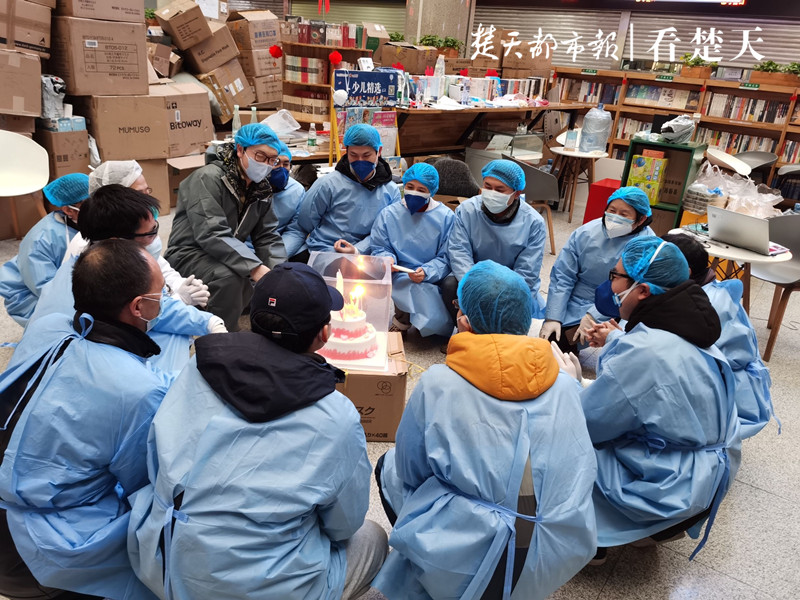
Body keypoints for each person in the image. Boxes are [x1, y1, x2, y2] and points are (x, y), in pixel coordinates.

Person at [128, 262, 387, 600]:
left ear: (253, 318)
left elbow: (157, 458)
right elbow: (343, 525)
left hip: (170, 566)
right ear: (325, 334)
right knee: (373, 537)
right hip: (267, 588)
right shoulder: (338, 416)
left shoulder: (198, 366)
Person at [372, 261, 597, 600]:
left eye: (458, 307)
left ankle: (427, 562)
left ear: (464, 321)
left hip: (468, 559)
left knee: (389, 466)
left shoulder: (439, 383)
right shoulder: (565, 384)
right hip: (558, 550)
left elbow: (410, 470)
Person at [0, 239, 170, 600]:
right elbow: (144, 481)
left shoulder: (49, 326)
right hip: (35, 549)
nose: (165, 299)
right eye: (161, 294)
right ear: (139, 306)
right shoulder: (138, 391)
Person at [581, 237, 741, 563]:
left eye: (615, 276)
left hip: (668, 488)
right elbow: (659, 367)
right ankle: (653, 529)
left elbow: (589, 422)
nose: (611, 285)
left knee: (558, 444)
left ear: (642, 290)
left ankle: (591, 541)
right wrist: (616, 339)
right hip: (703, 474)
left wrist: (567, 383)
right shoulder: (692, 323)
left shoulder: (645, 352)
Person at [26, 185, 223, 376]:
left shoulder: (107, 259)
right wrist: (180, 300)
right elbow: (151, 315)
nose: (156, 239)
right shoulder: (100, 282)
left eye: (156, 227)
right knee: (173, 340)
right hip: (70, 365)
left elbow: (156, 301)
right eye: (150, 233)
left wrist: (208, 321)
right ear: (118, 241)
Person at [165, 123, 287, 331]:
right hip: (189, 253)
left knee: (267, 278)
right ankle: (221, 337)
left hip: (225, 253)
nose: (266, 165)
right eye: (260, 156)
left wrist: (279, 273)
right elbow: (211, 232)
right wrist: (254, 267)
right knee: (230, 278)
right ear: (240, 150)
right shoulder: (207, 178)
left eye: (272, 160)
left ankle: (228, 323)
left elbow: (267, 235)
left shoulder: (261, 189)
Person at [663, 232, 777, 439]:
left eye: (659, 264)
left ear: (685, 271)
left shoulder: (702, 306)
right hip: (723, 386)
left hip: (726, 399)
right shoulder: (701, 291)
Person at [539, 186, 655, 352]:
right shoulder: (586, 233)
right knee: (552, 338)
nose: (615, 217)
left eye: (624, 214)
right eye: (612, 210)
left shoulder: (646, 246)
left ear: (641, 219)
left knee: (570, 341)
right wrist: (553, 316)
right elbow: (563, 275)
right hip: (577, 296)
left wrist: (594, 315)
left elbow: (629, 291)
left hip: (616, 303)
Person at [82, 160, 209, 308]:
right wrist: (178, 299)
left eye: (147, 191)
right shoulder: (102, 264)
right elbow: (141, 312)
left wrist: (180, 285)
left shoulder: (134, 234)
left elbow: (160, 268)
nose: (146, 200)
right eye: (138, 194)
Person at [282, 123, 401, 261]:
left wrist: (357, 250)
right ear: (346, 152)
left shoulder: (391, 191)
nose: (360, 161)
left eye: (366, 155)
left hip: (366, 256)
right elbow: (304, 223)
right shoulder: (328, 184)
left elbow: (387, 232)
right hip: (326, 252)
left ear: (379, 151)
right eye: (353, 155)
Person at [446, 160, 547, 322]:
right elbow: (459, 253)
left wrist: (498, 293)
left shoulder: (533, 223)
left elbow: (527, 272)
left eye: (500, 190)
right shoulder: (466, 210)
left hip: (511, 284)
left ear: (516, 193)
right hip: (474, 277)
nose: (492, 193)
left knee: (506, 317)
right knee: (450, 285)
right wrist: (475, 287)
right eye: (487, 186)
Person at [370, 163, 455, 337]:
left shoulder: (446, 217)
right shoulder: (389, 214)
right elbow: (380, 246)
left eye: (421, 189)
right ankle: (402, 319)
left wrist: (428, 271)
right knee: (404, 284)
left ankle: (434, 325)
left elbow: (447, 256)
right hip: (400, 273)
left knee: (436, 329)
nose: (414, 192)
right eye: (410, 187)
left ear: (432, 191)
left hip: (434, 275)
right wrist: (387, 259)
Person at [0, 173, 89, 326]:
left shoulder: (80, 224)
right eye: (90, 204)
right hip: (33, 298)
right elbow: (46, 289)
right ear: (68, 210)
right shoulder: (41, 241)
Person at [270, 141, 307, 238]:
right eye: (276, 162)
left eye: (286, 164)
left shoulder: (297, 190)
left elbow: (296, 230)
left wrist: (281, 247)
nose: (281, 168)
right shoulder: (252, 185)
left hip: (280, 241)